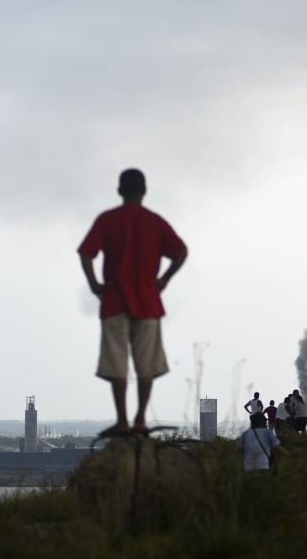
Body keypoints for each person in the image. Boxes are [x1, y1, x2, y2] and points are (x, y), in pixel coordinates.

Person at [79, 168, 188, 436]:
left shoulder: (108, 220)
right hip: (148, 301)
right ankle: (140, 419)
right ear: (144, 191)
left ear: (119, 191)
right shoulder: (154, 221)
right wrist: (163, 280)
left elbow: (86, 253)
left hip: (114, 300)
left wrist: (94, 285)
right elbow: (180, 252)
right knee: (146, 363)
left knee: (116, 361)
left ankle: (123, 420)